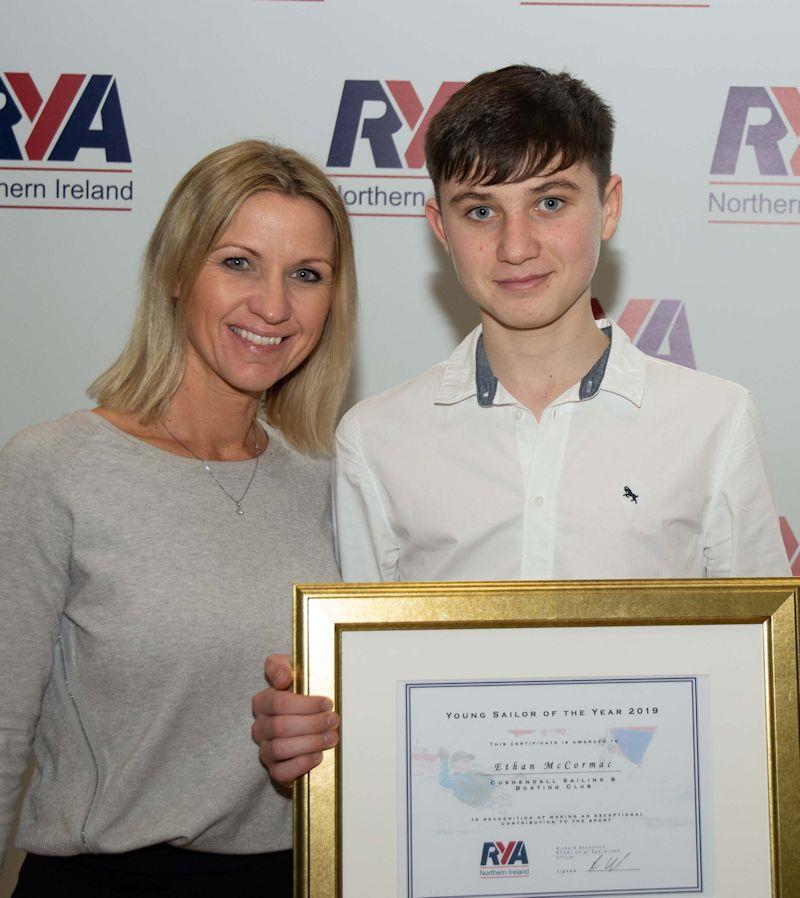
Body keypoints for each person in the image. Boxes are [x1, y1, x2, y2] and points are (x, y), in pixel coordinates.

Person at [251, 65, 789, 784]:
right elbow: (363, 698)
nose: (515, 246)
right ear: (439, 225)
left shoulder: (713, 420)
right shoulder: (376, 439)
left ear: (609, 207)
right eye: (480, 211)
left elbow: (763, 682)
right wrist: (312, 730)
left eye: (550, 202)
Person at [0, 139, 354, 896]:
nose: (274, 305)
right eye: (238, 262)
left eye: (307, 275)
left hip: (301, 877)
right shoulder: (54, 466)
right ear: (174, 270)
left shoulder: (331, 483)